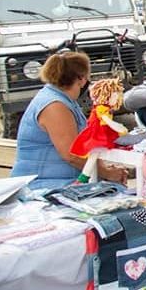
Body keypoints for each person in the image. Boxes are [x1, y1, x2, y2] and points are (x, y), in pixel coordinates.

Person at [11, 52, 128, 189]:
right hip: (42, 184)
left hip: (60, 180)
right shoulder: (55, 106)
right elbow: (72, 155)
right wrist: (107, 173)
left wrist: (105, 168)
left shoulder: (60, 99)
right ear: (82, 79)